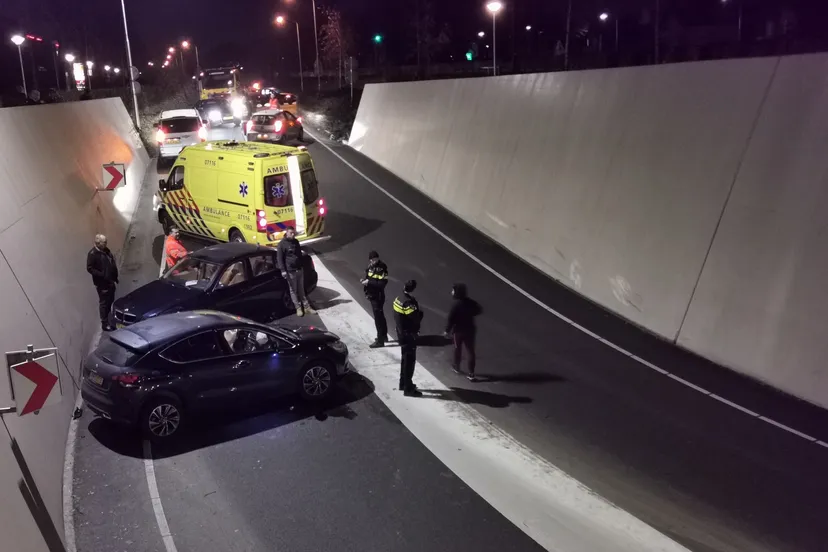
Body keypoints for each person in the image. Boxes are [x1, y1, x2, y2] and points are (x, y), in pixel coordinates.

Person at [444, 283, 483, 382]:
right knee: (470, 351)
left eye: (453, 291)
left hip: (458, 331)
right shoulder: (471, 303)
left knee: (457, 348)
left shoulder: (456, 305)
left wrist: (446, 331)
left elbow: (451, 319)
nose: (451, 292)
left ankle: (456, 367)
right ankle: (471, 373)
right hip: (470, 330)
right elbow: (479, 310)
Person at [277, 226, 316, 316]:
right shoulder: (282, 245)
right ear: (286, 233)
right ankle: (298, 308)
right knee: (293, 290)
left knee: (301, 289)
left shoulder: (295, 242)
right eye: (291, 233)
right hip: (291, 272)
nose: (293, 234)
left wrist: (302, 265)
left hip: (299, 269)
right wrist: (283, 270)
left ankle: (307, 307)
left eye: (293, 232)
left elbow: (299, 255)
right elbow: (279, 259)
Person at [394, 280, 424, 397]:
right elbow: (415, 318)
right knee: (409, 362)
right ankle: (408, 388)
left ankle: (403, 383)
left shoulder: (398, 298)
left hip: (401, 334)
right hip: (409, 335)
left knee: (404, 360)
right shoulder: (409, 303)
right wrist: (420, 314)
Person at [86, 234, 119, 331]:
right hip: (102, 284)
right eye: (104, 242)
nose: (106, 244)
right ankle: (105, 324)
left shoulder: (105, 250)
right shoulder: (92, 254)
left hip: (110, 281)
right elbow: (89, 268)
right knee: (104, 303)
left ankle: (110, 318)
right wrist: (102, 275)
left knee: (111, 301)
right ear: (98, 243)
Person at [360, 250, 389, 348]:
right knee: (380, 316)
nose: (373, 261)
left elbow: (382, 284)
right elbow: (369, 277)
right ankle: (384, 336)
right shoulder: (370, 267)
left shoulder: (382, 268)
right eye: (372, 259)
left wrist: (368, 283)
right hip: (372, 295)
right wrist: (364, 280)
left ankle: (380, 341)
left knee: (378, 319)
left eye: (375, 259)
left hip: (378, 296)